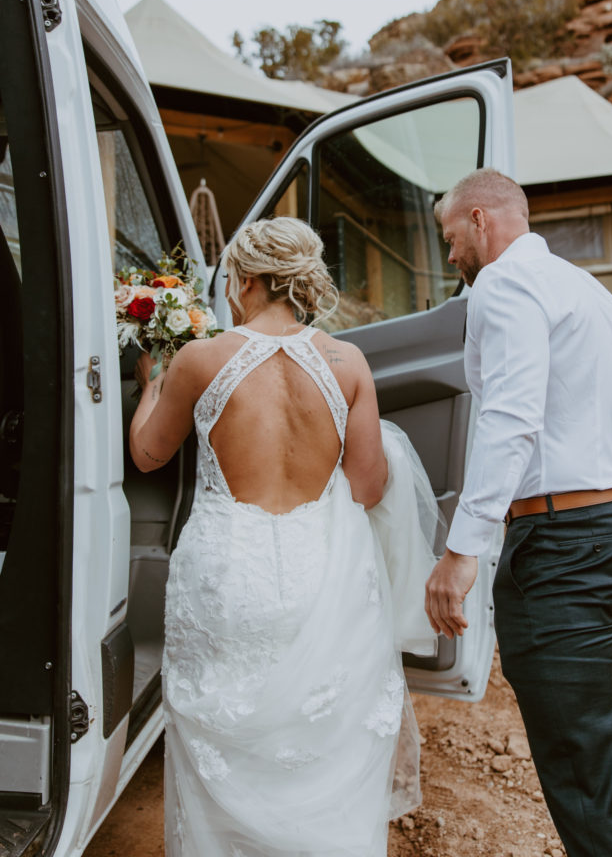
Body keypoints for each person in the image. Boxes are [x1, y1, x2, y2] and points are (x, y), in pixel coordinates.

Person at [130, 216, 438, 857]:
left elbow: (148, 455)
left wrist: (147, 387)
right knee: (326, 738)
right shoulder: (346, 361)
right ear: (297, 281)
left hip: (227, 574)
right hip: (320, 573)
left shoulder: (200, 358)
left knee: (223, 738)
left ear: (243, 279)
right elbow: (368, 486)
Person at [424, 168, 612, 857]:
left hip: (562, 543)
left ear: (481, 221)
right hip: (611, 526)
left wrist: (461, 553)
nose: (450, 252)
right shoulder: (585, 289)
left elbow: (510, 418)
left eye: (449, 235)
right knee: (586, 744)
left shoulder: (504, 283)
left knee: (577, 760)